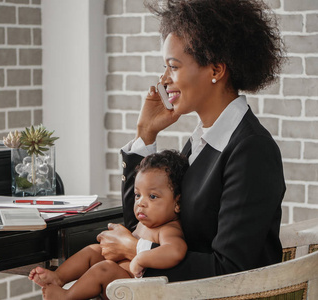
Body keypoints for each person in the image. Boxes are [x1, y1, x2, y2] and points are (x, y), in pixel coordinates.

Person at [97, 0, 286, 283]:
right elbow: (141, 224)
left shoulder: (252, 150)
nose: (163, 80)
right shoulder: (200, 142)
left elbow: (230, 270)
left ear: (216, 70)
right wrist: (146, 134)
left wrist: (136, 249)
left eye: (173, 67)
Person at [29, 150, 189, 300]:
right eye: (138, 195)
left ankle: (66, 296)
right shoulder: (146, 223)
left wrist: (141, 259)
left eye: (152, 196)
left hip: (134, 288)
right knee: (93, 251)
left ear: (177, 203)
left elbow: (176, 251)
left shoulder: (168, 229)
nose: (141, 203)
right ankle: (58, 277)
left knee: (104, 269)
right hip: (121, 278)